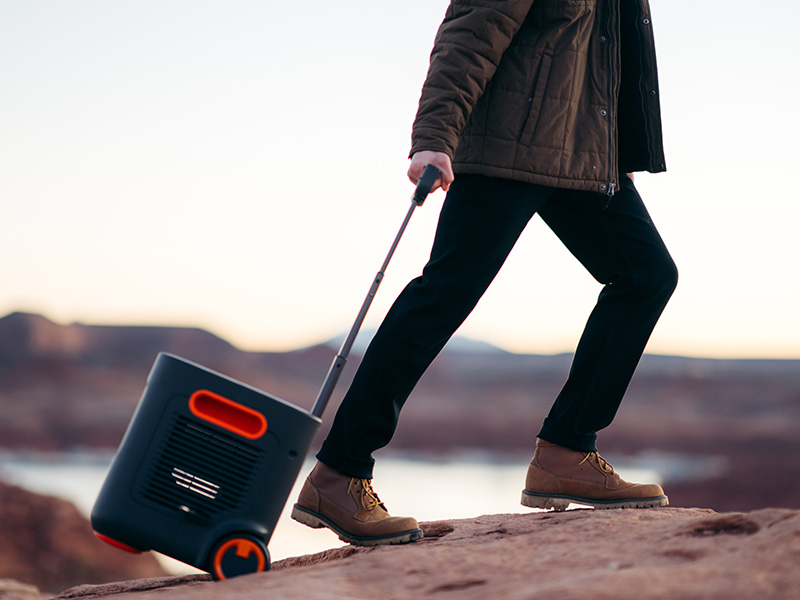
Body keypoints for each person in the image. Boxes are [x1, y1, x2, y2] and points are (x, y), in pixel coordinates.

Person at [292, 0, 678, 546]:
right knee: (444, 295)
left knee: (646, 277)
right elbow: (468, 34)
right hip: (507, 145)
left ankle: (567, 452)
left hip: (582, 156)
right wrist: (433, 138)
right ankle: (339, 473)